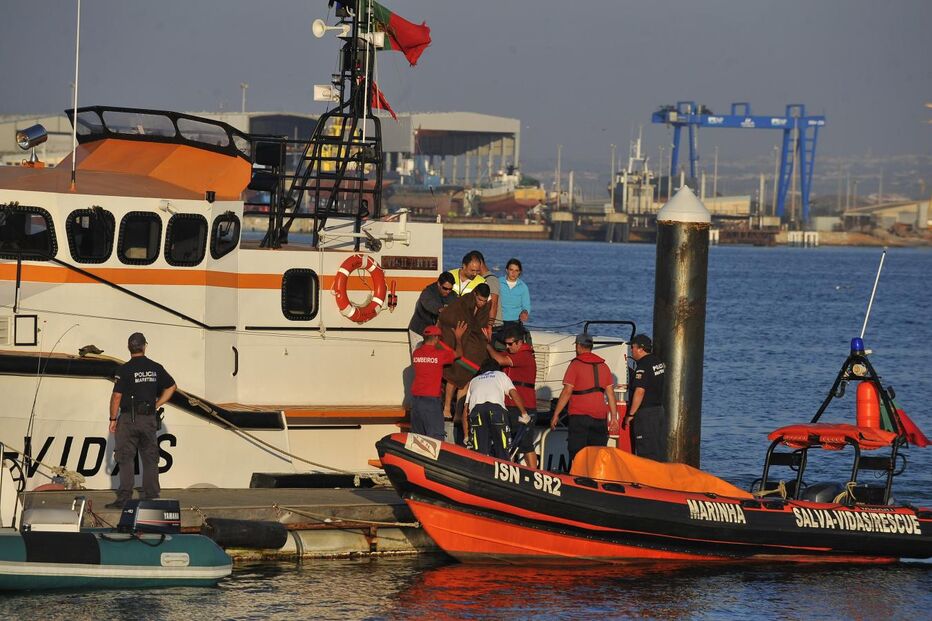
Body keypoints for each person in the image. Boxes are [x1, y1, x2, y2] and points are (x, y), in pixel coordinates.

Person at [106, 332, 176, 509]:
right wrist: (157, 403)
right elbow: (172, 387)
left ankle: (124, 498)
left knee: (125, 457)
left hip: (128, 419)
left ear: (129, 348)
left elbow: (116, 396)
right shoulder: (156, 367)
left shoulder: (124, 369)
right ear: (145, 346)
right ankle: (152, 497)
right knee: (150, 458)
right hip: (148, 419)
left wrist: (113, 418)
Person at [549, 333, 618, 468]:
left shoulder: (576, 364)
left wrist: (556, 414)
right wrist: (614, 417)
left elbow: (567, 392)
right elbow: (610, 394)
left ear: (579, 346)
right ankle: (593, 481)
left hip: (580, 416)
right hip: (600, 417)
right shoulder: (604, 366)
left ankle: (577, 480)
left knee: (577, 453)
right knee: (596, 454)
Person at [438, 283, 492, 443]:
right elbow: (449, 316)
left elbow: (481, 325)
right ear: (475, 294)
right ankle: (447, 407)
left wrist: (485, 335)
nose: (481, 303)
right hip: (457, 339)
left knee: (466, 379)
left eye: (484, 301)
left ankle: (458, 413)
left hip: (472, 342)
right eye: (480, 300)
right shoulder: (463, 302)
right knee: (453, 376)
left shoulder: (485, 308)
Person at [486, 324, 538, 468]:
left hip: (524, 405)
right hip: (509, 405)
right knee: (508, 441)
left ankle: (534, 472)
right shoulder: (513, 354)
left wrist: (488, 346)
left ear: (519, 342)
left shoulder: (525, 355)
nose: (508, 347)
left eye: (510, 344)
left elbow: (500, 360)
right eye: (506, 344)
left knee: (526, 444)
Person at [410, 321, 467, 440]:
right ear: (435, 337)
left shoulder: (416, 353)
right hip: (431, 401)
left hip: (415, 400)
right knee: (436, 436)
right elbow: (459, 354)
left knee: (418, 437)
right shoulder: (440, 355)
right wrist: (458, 337)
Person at [464, 359, 530, 460]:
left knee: (479, 452)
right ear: (497, 369)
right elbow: (513, 393)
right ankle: (502, 467)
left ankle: (481, 468)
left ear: (482, 370)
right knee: (502, 448)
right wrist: (524, 414)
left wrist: (466, 435)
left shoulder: (474, 380)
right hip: (496, 410)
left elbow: (465, 410)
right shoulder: (501, 375)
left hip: (476, 411)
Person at [624, 334, 666, 461]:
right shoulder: (657, 362)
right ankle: (659, 477)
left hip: (645, 414)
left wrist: (631, 414)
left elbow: (640, 391)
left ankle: (648, 479)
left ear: (641, 349)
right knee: (657, 449)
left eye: (633, 347)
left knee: (646, 451)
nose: (631, 350)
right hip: (658, 410)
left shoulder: (643, 366)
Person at [408, 271, 457, 355]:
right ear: (438, 284)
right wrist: (442, 310)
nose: (448, 291)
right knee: (420, 358)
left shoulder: (453, 296)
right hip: (419, 331)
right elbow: (430, 305)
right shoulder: (427, 292)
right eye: (445, 288)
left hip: (436, 334)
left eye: (450, 289)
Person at [498, 258, 531, 334]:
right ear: (507, 270)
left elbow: (526, 306)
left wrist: (525, 312)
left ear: (519, 272)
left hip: (515, 322)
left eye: (516, 270)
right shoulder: (498, 282)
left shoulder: (523, 287)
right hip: (499, 321)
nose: (513, 273)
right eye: (511, 270)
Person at [477, 254, 501, 335]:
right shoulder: (481, 279)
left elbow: (494, 305)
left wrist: (489, 327)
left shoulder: (491, 280)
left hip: (493, 327)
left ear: (480, 263)